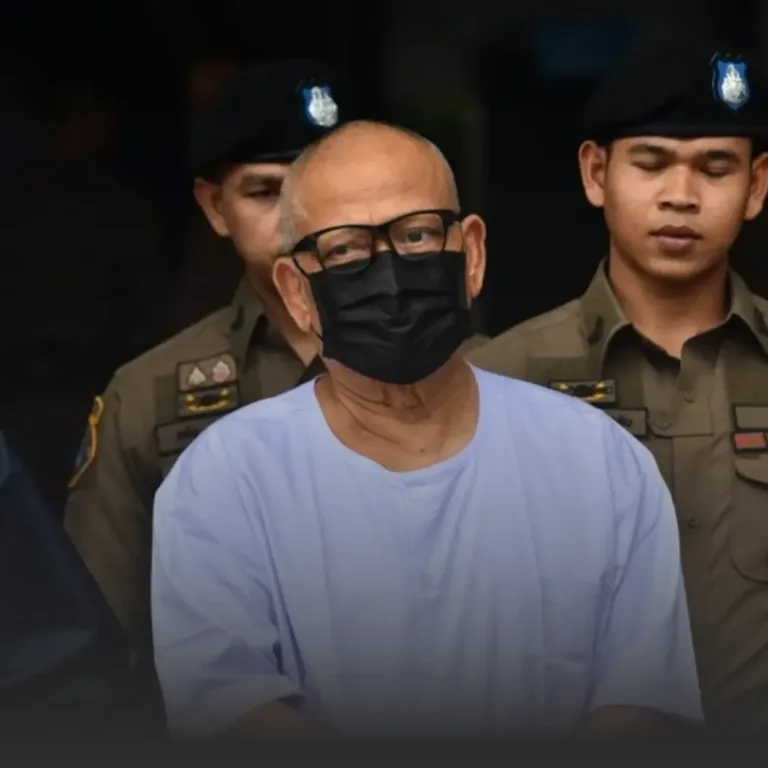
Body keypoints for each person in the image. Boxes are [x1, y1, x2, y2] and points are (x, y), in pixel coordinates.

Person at [151, 121, 702, 739]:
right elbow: (230, 711)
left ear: (471, 254)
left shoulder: (599, 462)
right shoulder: (224, 481)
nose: (387, 275)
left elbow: (643, 702)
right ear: (297, 291)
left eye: (415, 236)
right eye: (345, 251)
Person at [469, 36, 768, 734]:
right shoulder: (496, 380)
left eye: (716, 168)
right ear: (595, 174)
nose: (681, 196)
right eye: (652, 163)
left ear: (756, 187)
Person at [63, 58, 360, 653]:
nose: (301, 218)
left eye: (324, 186)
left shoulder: (469, 370)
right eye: (265, 191)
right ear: (214, 207)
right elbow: (99, 635)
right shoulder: (150, 393)